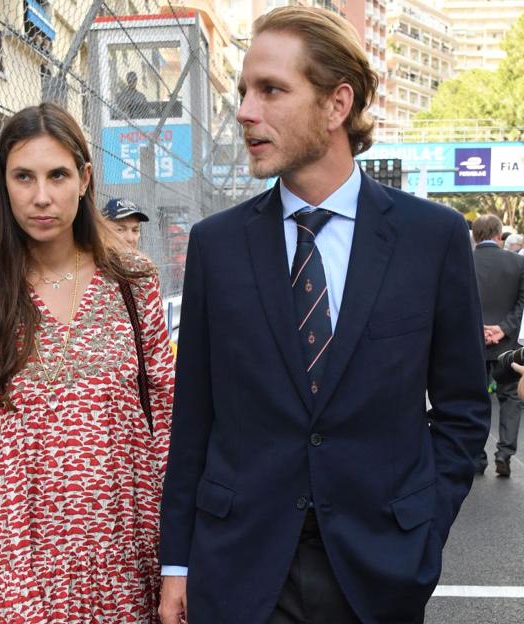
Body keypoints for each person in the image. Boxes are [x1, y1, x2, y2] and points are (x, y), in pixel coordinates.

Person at [158, 6, 490, 624]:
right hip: (242, 569)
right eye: (243, 91)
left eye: (271, 90)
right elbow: (194, 418)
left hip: (378, 569)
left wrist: (424, 529)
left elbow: (464, 408)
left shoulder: (432, 237)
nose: (244, 111)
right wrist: (176, 563)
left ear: (337, 105)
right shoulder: (216, 245)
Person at [0, 102, 175, 624]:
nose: (41, 197)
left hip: (123, 556)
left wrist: (178, 559)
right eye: (24, 177)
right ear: (4, 184)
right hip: (20, 559)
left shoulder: (134, 282)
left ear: (84, 179)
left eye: (58, 175)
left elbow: (167, 417)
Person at [472, 214, 524, 477]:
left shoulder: (463, 261)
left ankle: (477, 457)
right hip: (508, 345)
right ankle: (504, 453)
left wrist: (479, 328)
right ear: (498, 234)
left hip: (472, 344)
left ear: (475, 235)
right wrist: (503, 328)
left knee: (475, 399)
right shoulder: (518, 263)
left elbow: (457, 302)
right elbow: (521, 303)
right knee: (511, 397)